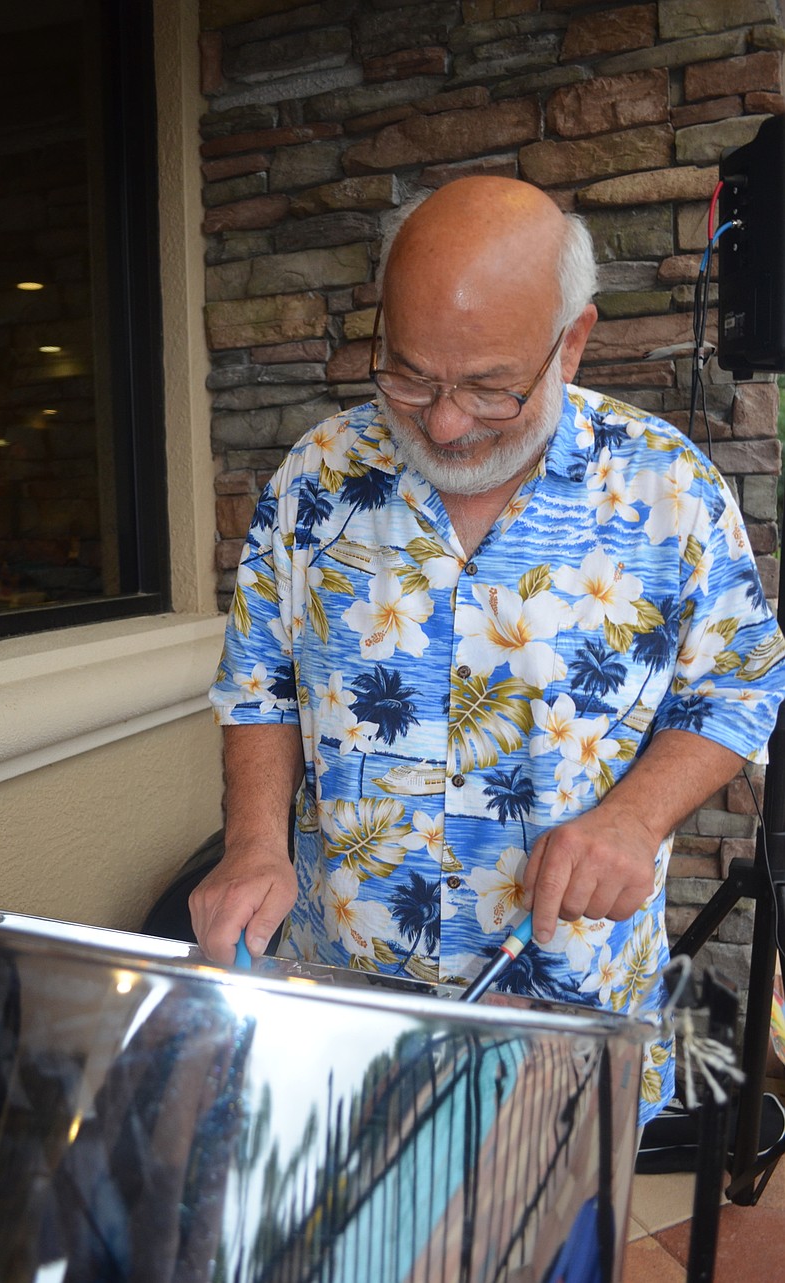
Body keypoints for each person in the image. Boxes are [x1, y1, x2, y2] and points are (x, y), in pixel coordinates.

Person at [191, 177, 785, 1122]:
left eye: (487, 387)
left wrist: (636, 816)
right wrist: (256, 842)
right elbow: (258, 687)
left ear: (572, 341)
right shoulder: (316, 477)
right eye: (411, 375)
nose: (443, 422)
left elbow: (740, 687)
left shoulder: (671, 488)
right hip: (348, 985)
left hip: (569, 1007)